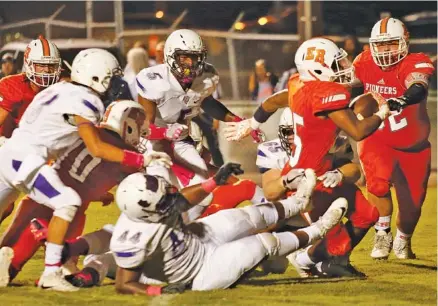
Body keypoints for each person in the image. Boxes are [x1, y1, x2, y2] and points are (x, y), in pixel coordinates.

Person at [0, 48, 171, 291]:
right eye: (110, 77)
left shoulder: (58, 88)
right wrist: (141, 160)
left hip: (8, 154)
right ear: (97, 76)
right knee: (68, 201)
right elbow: (97, 147)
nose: (114, 83)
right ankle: (50, 273)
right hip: (27, 160)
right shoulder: (87, 100)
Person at [225, 37, 391, 275]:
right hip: (308, 179)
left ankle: (333, 262)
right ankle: (304, 258)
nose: (342, 68)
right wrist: (382, 114)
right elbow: (358, 131)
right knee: (338, 243)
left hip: (322, 170)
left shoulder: (298, 84)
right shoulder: (326, 94)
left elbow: (272, 101)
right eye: (335, 64)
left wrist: (253, 121)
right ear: (317, 69)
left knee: (368, 214)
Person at [62, 164, 347, 292]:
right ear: (144, 210)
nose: (168, 200)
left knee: (247, 216)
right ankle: (319, 229)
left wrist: (215, 181)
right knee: (264, 244)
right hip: (200, 273)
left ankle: (299, 201)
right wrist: (157, 294)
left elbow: (184, 198)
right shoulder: (131, 239)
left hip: (197, 238)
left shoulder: (150, 207)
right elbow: (125, 284)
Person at [0, 100, 151, 286]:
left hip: (39, 199)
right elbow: (140, 187)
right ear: (127, 123)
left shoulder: (85, 133)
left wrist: (100, 194)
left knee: (8, 264)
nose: (141, 134)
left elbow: (78, 172)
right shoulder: (124, 153)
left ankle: (52, 260)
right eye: (139, 127)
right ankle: (59, 263)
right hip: (69, 212)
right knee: (59, 267)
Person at [136, 29, 263, 220]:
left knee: (205, 189)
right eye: (185, 58)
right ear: (171, 56)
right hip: (153, 143)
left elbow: (207, 102)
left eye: (196, 58)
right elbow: (144, 129)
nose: (191, 64)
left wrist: (239, 121)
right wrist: (165, 131)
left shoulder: (206, 77)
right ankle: (148, 231)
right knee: (159, 188)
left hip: (181, 141)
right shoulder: (154, 79)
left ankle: (187, 227)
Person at [351, 17, 435, 259]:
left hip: (414, 146)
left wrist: (403, 99)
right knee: (376, 184)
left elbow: (418, 86)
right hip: (378, 138)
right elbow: (346, 82)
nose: (385, 50)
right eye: (381, 44)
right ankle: (382, 231)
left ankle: (403, 239)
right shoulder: (364, 61)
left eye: (390, 44)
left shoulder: (416, 62)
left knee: (412, 208)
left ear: (404, 42)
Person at [0, 36, 61, 140]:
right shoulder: (13, 86)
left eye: (51, 65)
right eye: (41, 65)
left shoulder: (60, 87)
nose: (47, 70)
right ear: (29, 64)